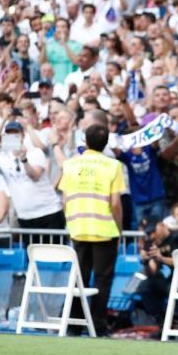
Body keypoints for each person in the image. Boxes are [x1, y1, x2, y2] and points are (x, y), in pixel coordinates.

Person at [56, 124, 125, 336]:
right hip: (104, 229)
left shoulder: (70, 165)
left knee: (80, 277)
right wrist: (119, 230)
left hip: (78, 228)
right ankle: (98, 325)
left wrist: (72, 223)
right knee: (102, 280)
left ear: (85, 140)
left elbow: (65, 200)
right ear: (106, 144)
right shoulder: (113, 166)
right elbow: (115, 204)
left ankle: (74, 325)